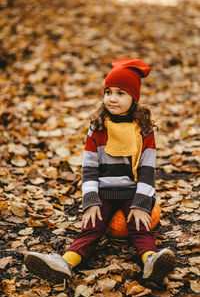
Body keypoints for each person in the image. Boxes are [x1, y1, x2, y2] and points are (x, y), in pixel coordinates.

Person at [24, 58, 176, 285]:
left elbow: (147, 170)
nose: (112, 98)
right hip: (103, 192)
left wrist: (141, 204)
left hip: (133, 191)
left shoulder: (144, 131)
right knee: (90, 229)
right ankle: (64, 263)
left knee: (140, 229)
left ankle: (151, 262)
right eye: (108, 92)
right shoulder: (97, 128)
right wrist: (91, 201)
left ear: (134, 98)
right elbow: (89, 168)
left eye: (120, 93)